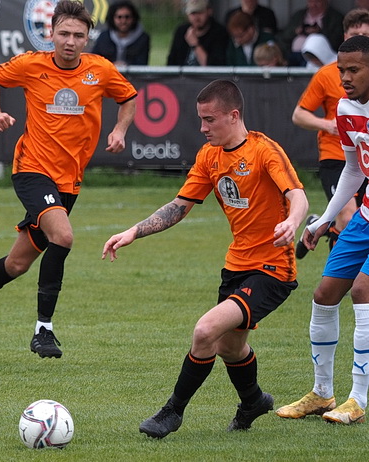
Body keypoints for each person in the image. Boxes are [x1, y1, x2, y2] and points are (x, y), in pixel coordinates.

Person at [102, 79, 309, 439]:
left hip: (273, 269)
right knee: (231, 347)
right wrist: (133, 231)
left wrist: (292, 220)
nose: (202, 127)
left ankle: (172, 413)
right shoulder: (209, 157)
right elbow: (179, 207)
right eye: (200, 119)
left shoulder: (264, 151)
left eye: (209, 119)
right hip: (236, 266)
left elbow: (298, 195)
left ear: (234, 115)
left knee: (206, 331)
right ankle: (254, 401)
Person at [0, 0, 137, 359]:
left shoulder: (101, 70)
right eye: (63, 33)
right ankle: (43, 330)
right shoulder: (31, 64)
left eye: (78, 35)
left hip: (69, 181)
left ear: (87, 38)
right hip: (32, 169)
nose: (70, 41)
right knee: (62, 237)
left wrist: (119, 130)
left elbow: (128, 98)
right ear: (51, 33)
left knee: (18, 263)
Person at [275, 34, 369, 426]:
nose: (344, 77)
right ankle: (321, 392)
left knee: (363, 290)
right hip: (365, 213)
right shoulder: (346, 108)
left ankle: (358, 399)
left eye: (354, 70)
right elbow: (352, 169)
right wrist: (325, 219)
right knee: (325, 293)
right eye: (340, 69)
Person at [291, 8, 369, 261]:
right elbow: (298, 114)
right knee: (348, 214)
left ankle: (321, 223)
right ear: (344, 35)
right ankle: (344, 278)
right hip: (337, 156)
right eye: (355, 33)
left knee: (357, 216)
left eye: (365, 35)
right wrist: (327, 125)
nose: (346, 78)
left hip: (364, 158)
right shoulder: (327, 75)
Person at [279, 0, 344, 66]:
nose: (313, 5)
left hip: (318, 58)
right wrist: (296, 31)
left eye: (317, 2)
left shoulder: (335, 17)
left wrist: (319, 32)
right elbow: (284, 37)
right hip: (294, 54)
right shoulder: (299, 15)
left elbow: (337, 40)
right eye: (310, 2)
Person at [167, 0, 229, 66]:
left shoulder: (219, 33)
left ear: (209, 11)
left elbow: (214, 68)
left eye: (200, 12)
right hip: (183, 76)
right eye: (193, 14)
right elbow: (171, 63)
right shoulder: (181, 31)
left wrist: (195, 45)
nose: (196, 18)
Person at [91, 1, 150, 65]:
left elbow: (142, 63)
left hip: (132, 74)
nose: (123, 21)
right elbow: (95, 59)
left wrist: (125, 65)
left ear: (133, 18)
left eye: (127, 17)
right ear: (113, 18)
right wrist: (112, 65)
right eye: (119, 17)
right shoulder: (104, 37)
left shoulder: (142, 38)